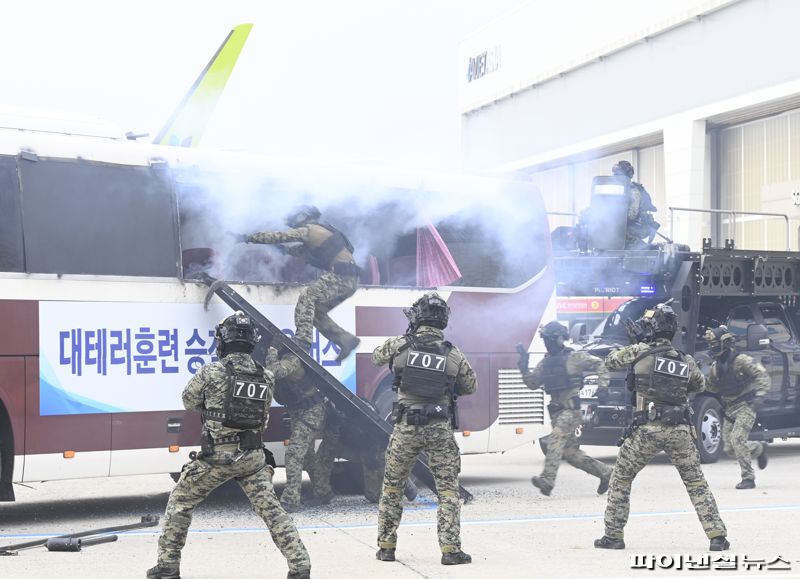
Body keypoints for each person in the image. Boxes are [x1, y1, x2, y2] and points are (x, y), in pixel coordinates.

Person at [147, 311, 311, 579]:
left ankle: (167, 567)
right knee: (272, 511)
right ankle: (300, 565)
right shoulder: (266, 376)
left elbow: (189, 401)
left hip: (218, 458)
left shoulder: (211, 372)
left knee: (180, 503)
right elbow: (263, 415)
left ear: (223, 341)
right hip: (253, 458)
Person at [595, 303, 729, 552]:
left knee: (621, 478)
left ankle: (613, 536)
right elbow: (698, 385)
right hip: (680, 430)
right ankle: (717, 536)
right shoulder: (684, 359)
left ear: (652, 328)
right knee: (696, 483)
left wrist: (638, 343)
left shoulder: (640, 351)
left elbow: (610, 361)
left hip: (647, 429)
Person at [372, 292, 476, 565]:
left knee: (392, 488)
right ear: (443, 321)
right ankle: (450, 550)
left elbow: (375, 357)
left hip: (406, 426)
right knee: (448, 490)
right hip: (439, 429)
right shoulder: (453, 354)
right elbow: (470, 387)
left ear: (417, 319)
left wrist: (405, 340)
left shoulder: (400, 346)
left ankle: (386, 547)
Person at [236, 205, 361, 360]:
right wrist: (280, 249)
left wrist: (247, 238)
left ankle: (303, 340)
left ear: (302, 217)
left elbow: (278, 236)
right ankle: (345, 340)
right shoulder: (323, 234)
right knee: (315, 313)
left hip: (341, 275)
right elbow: (295, 251)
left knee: (307, 297)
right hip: (351, 280)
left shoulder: (309, 230)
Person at [517, 321, 613, 496]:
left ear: (561, 338)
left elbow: (599, 364)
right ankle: (606, 473)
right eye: (545, 339)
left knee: (554, 439)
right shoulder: (545, 363)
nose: (548, 343)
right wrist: (523, 367)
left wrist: (603, 387)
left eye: (550, 339)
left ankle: (547, 481)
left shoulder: (574, 357)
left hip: (570, 411)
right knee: (571, 454)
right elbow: (532, 383)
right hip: (556, 412)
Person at [270, 346, 342, 512]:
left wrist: (271, 354)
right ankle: (323, 492)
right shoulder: (277, 360)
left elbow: (276, 372)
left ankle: (290, 500)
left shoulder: (291, 358)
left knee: (294, 452)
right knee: (307, 455)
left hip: (313, 409)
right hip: (297, 410)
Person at [703, 326, 769, 489]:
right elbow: (712, 387)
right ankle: (759, 448)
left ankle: (748, 478)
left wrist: (760, 396)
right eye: (711, 344)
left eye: (715, 343)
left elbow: (762, 375)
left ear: (724, 343)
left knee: (738, 439)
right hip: (729, 409)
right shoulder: (715, 366)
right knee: (730, 449)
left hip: (746, 405)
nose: (712, 347)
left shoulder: (741, 360)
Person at [611, 160, 660, 249]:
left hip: (637, 226)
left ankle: (640, 246)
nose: (615, 178)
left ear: (628, 176)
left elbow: (631, 216)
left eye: (618, 175)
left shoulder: (633, 191)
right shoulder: (615, 190)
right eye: (615, 175)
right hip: (623, 226)